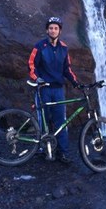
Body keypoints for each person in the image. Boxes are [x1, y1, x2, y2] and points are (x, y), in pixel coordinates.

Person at [28, 16, 81, 164]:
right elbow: (31, 65)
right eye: (51, 28)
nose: (53, 30)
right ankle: (42, 149)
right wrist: (36, 78)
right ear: (47, 30)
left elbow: (67, 69)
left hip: (58, 90)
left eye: (56, 28)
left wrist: (76, 83)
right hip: (43, 89)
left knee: (61, 122)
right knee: (42, 120)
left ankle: (62, 153)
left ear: (60, 31)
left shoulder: (64, 48)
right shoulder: (39, 46)